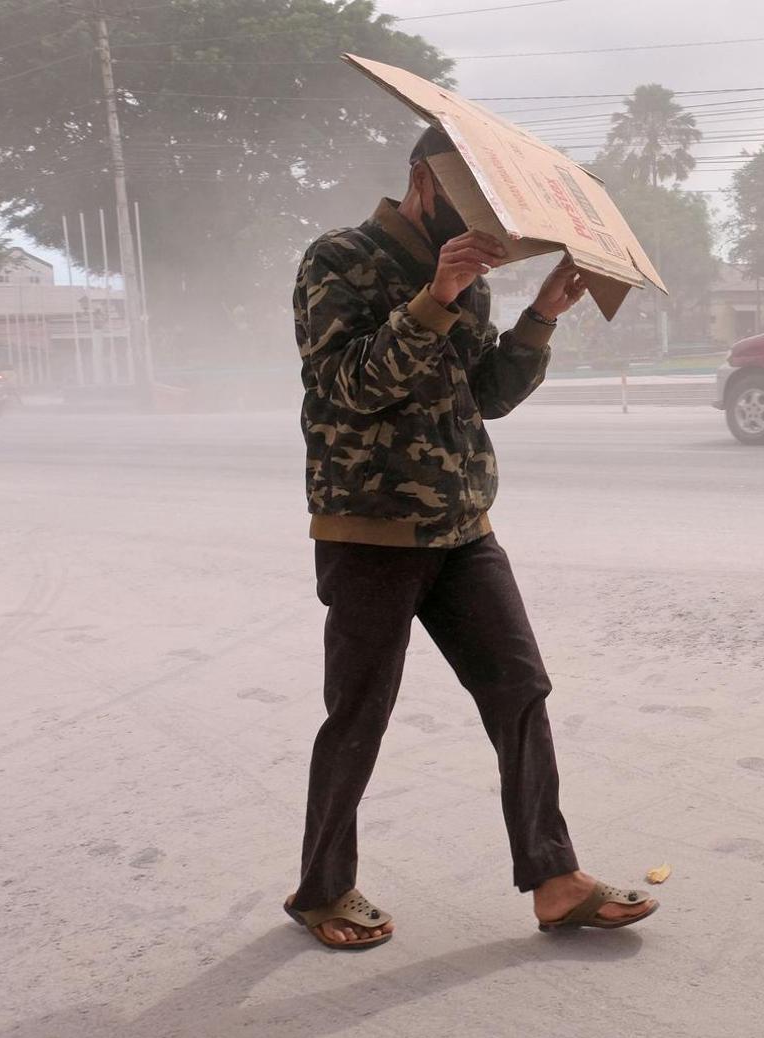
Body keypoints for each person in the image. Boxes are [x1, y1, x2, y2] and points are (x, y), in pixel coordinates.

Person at [283, 126, 658, 950]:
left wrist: (540, 318)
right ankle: (322, 888)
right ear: (425, 181)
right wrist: (435, 296)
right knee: (359, 713)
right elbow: (347, 388)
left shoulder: (474, 276)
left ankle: (555, 880)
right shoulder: (337, 259)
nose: (487, 226)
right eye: (470, 201)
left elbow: (483, 395)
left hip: (462, 529)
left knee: (518, 689)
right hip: (371, 532)